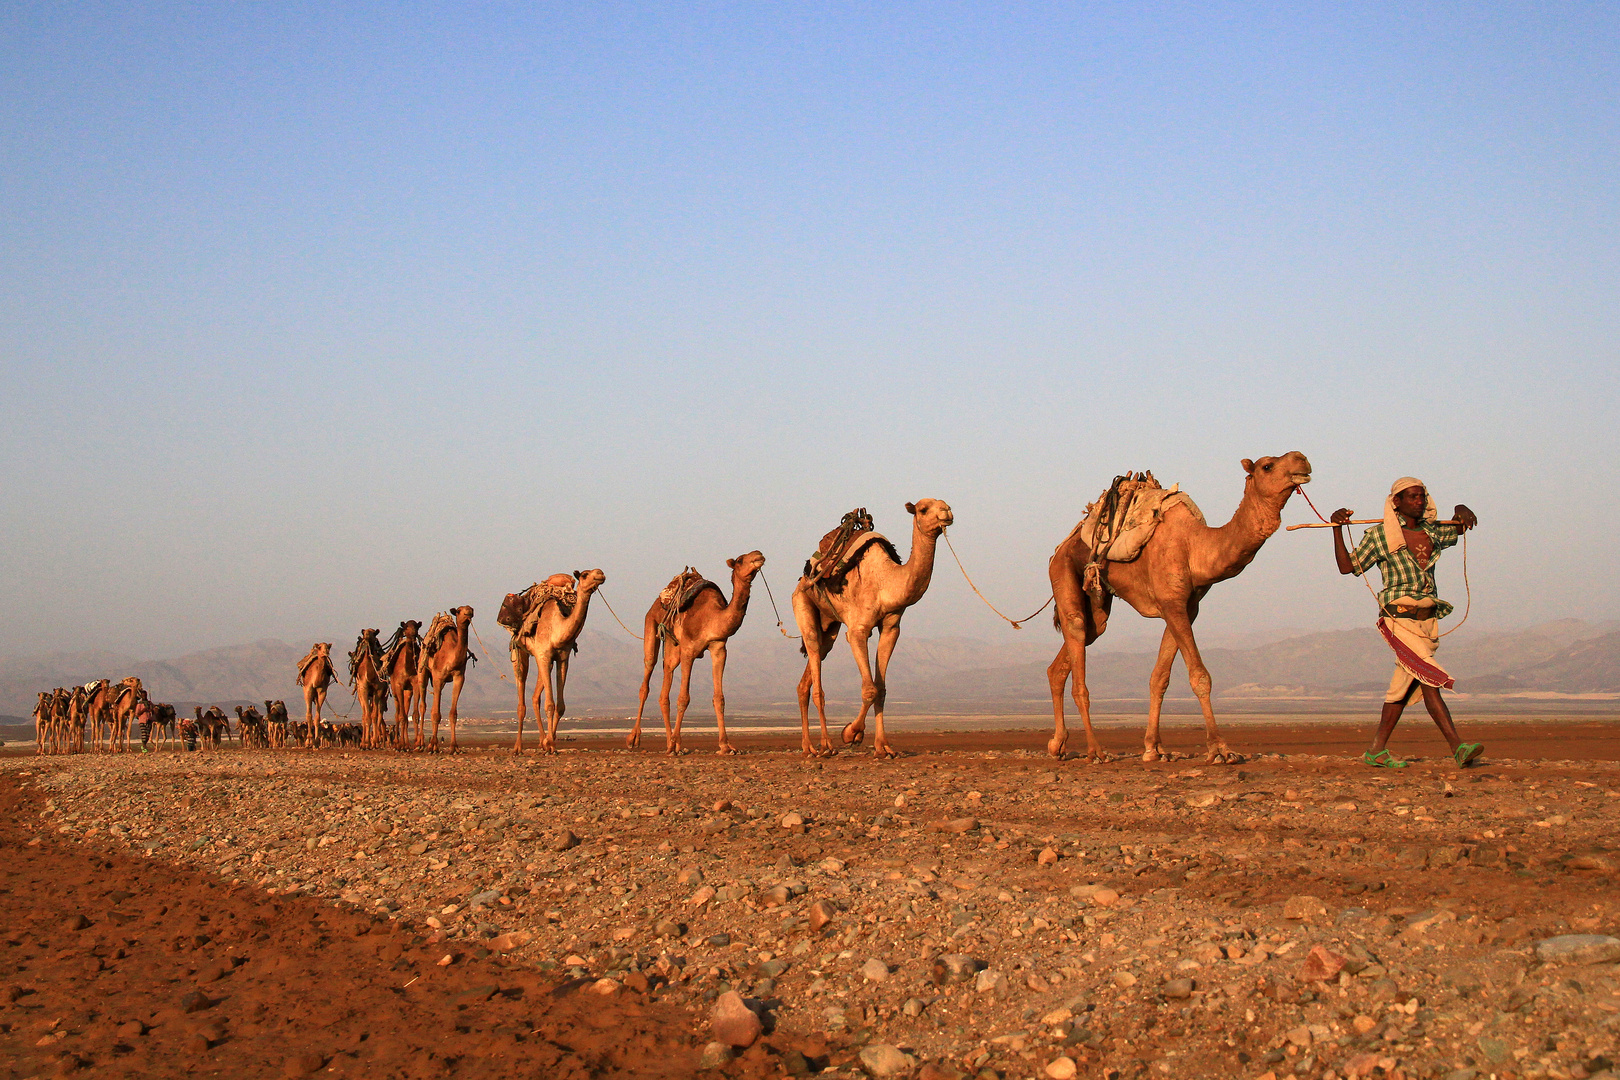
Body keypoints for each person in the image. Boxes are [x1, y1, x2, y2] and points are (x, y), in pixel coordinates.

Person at [1331, 478, 1480, 768]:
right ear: (1396, 502)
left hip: (1427, 623)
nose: (1419, 501)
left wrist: (1461, 509)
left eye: (1422, 496)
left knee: (1400, 689)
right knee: (1429, 677)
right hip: (1398, 620)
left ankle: (1376, 750)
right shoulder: (1380, 536)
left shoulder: (1433, 532)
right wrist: (1337, 529)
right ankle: (1458, 747)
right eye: (1411, 497)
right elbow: (1347, 567)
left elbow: (1459, 528)